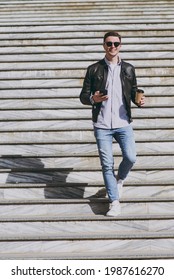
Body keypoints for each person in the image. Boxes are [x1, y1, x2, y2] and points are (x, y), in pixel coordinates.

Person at [80, 31, 145, 216]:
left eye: (116, 43)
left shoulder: (129, 69)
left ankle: (120, 179)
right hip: (101, 125)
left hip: (123, 122)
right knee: (106, 165)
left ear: (120, 46)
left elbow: (132, 92)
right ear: (103, 46)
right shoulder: (94, 69)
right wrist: (94, 98)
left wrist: (138, 101)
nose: (112, 47)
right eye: (109, 43)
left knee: (131, 157)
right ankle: (114, 201)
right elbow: (83, 96)